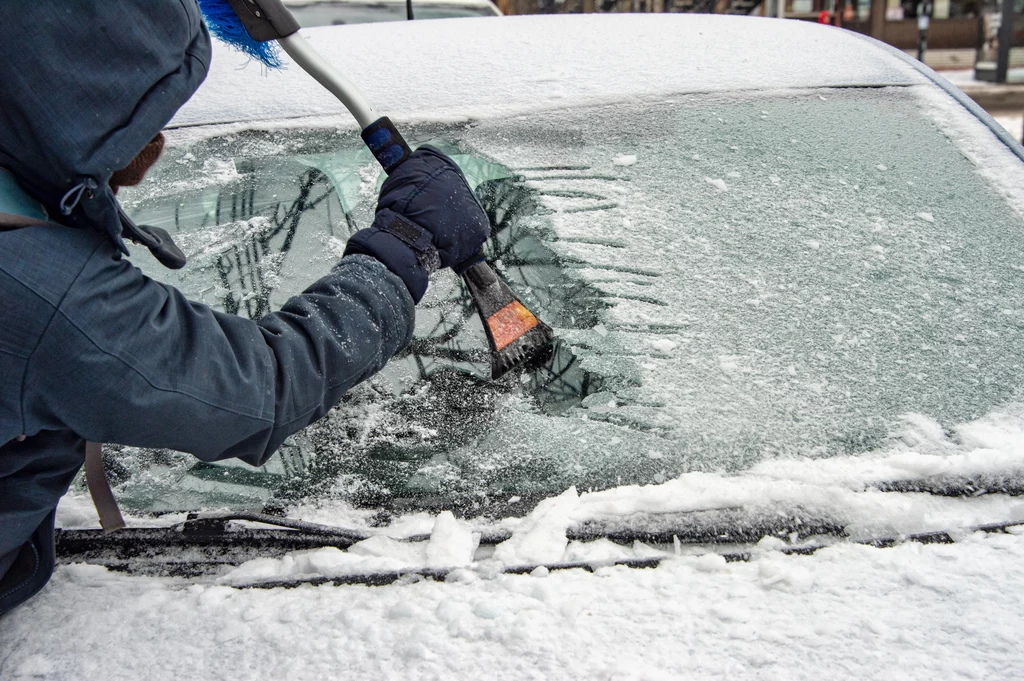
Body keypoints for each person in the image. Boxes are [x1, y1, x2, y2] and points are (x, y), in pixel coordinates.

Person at [0, 0, 489, 617]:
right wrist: (404, 249)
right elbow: (263, 387)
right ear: (76, 107)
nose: (159, 137)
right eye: (141, 113)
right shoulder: (39, 287)